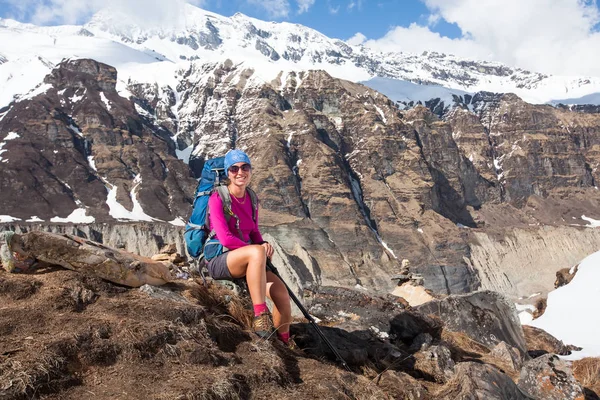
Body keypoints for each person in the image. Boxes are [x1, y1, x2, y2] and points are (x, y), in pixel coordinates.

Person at [205, 149, 293, 345]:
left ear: (250, 170)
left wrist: (262, 244)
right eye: (234, 169)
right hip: (220, 260)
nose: (240, 172)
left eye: (245, 167)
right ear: (227, 173)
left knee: (282, 296)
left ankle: (284, 342)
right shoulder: (217, 198)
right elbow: (226, 240)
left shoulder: (252, 198)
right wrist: (256, 250)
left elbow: (253, 231)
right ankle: (260, 316)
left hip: (249, 259)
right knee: (255, 251)